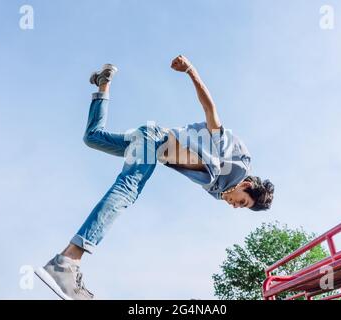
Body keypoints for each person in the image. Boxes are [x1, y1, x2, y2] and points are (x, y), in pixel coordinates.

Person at [35, 55, 274, 300]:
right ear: (245, 185)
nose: (235, 205)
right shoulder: (231, 162)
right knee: (128, 188)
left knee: (93, 137)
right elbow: (210, 109)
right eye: (242, 201)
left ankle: (102, 83)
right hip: (154, 140)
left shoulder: (219, 190)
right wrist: (190, 70)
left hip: (149, 141)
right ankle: (68, 261)